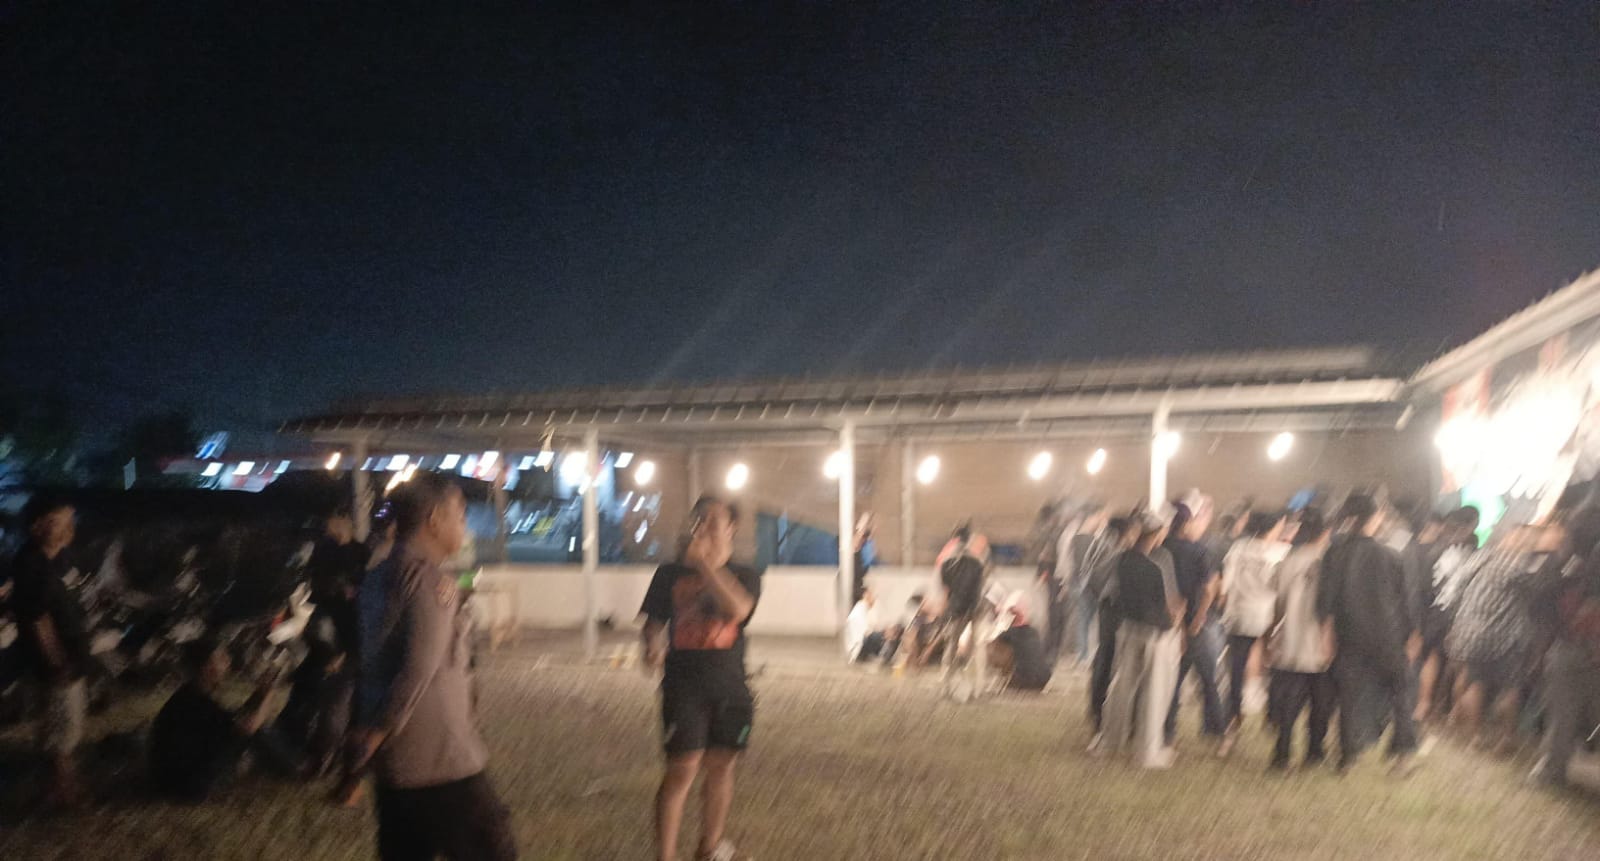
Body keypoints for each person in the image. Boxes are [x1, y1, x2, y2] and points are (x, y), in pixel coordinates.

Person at [351, 472, 516, 861]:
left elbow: (371, 661)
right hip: (442, 759)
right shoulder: (429, 583)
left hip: (397, 764)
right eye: (460, 515)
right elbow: (418, 668)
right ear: (434, 520)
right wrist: (379, 730)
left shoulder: (378, 575)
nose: (464, 525)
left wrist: (371, 736)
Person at [642, 495, 761, 861]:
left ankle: (709, 848)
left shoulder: (745, 575)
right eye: (699, 519)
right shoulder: (668, 574)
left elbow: (738, 609)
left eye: (713, 521)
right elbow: (653, 623)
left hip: (730, 687)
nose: (704, 527)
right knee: (681, 770)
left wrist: (704, 564)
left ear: (731, 528)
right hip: (683, 688)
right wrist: (650, 645)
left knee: (722, 767)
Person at [1317, 494, 1420, 775]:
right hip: (1389, 636)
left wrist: (1326, 634)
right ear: (1373, 518)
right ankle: (1402, 757)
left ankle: (1347, 757)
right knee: (1401, 692)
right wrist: (1412, 635)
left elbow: (1325, 599)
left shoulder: (1334, 553)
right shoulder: (1390, 555)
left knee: (1349, 696)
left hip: (1349, 634)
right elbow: (1405, 600)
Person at [9, 495, 92, 808]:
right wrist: (57, 662)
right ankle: (63, 793)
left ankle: (57, 787)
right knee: (62, 728)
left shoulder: (55, 558)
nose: (68, 529)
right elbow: (38, 619)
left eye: (70, 521)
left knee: (60, 725)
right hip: (56, 662)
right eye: (59, 522)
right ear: (37, 526)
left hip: (70, 654)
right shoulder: (32, 565)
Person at [148, 638, 305, 801]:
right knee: (259, 729)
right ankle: (299, 767)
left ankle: (292, 763)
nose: (228, 662)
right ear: (208, 668)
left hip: (169, 780)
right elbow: (249, 727)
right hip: (190, 786)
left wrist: (260, 693)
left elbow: (233, 719)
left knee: (249, 726)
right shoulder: (197, 702)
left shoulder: (189, 695)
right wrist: (269, 694)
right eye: (221, 659)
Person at [1444, 522, 1550, 752]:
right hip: (1504, 636)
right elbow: (1539, 591)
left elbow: (1458, 587)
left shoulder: (1481, 557)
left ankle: (1474, 736)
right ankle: (1506, 737)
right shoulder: (1520, 566)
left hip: (1470, 631)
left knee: (1475, 683)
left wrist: (1456, 623)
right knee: (1510, 687)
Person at [1094, 512, 1185, 769]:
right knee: (1154, 693)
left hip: (1128, 627)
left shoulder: (1123, 560)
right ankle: (1148, 752)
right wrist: (1178, 619)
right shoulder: (1156, 565)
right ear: (1156, 534)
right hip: (1156, 633)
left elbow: (1101, 585)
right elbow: (1169, 605)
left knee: (1121, 687)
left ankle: (1110, 741)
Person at [1529, 511, 1600, 788]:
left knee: (1562, 714)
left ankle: (1552, 771)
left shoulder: (1571, 570)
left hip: (1573, 647)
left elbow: (1543, 607)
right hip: (1583, 649)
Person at [1265, 507, 1337, 771]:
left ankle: (1282, 754)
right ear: (1327, 531)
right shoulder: (1330, 561)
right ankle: (1314, 753)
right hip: (1321, 643)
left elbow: (1278, 603)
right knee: (1321, 702)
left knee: (1289, 703)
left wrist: (1270, 635)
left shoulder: (1288, 560)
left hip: (1291, 641)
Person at [1217, 510, 1288, 754]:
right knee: (1275, 668)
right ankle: (1273, 715)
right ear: (1273, 527)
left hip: (1239, 615)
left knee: (1235, 672)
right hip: (1268, 617)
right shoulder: (1279, 553)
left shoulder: (1238, 549)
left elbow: (1225, 585)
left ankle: (1232, 723)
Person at [1162, 499, 1226, 745]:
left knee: (1172, 680)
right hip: (1195, 622)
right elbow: (1209, 590)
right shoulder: (1198, 551)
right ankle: (1215, 728)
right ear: (1186, 523)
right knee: (1208, 678)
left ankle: (1167, 729)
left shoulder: (1161, 549)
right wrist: (1198, 620)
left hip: (1167, 623)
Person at [1414, 506, 1480, 723]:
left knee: (1433, 656)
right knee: (1454, 662)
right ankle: (1446, 709)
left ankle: (1425, 703)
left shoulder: (1436, 549)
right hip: (1462, 613)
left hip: (1436, 610)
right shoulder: (1474, 554)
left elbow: (1424, 584)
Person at [1087, 517, 1137, 730]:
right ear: (1124, 533)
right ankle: (1101, 712)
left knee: (1104, 657)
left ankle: (1098, 710)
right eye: (1133, 532)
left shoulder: (1102, 549)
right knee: (1109, 658)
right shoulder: (1117, 553)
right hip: (1115, 609)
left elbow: (1092, 580)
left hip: (1107, 608)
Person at [307, 512, 371, 658]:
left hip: (351, 610)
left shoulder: (360, 550)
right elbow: (318, 578)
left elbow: (365, 576)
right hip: (332, 606)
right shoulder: (324, 550)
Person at [1061, 505, 1115, 665]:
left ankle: (1082, 654)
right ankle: (1084, 655)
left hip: (1079, 583)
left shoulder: (1076, 538)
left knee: (1083, 621)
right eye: (1101, 517)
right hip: (1087, 585)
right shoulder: (1087, 539)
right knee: (1086, 621)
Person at [844, 587, 888, 663]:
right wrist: (883, 633)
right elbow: (866, 632)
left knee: (882, 634)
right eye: (871, 594)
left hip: (861, 641)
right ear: (865, 595)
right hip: (858, 646)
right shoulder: (859, 609)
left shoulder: (865, 608)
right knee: (878, 636)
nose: (873, 597)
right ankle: (880, 656)